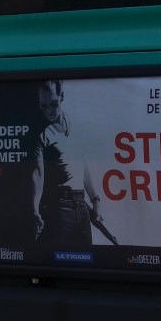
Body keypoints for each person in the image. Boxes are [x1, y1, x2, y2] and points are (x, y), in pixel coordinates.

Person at [28, 80, 105, 251]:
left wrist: (95, 200)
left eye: (53, 104)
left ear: (62, 97)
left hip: (82, 207)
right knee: (63, 260)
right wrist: (34, 209)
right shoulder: (42, 135)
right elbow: (37, 175)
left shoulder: (77, 126)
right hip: (59, 209)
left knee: (88, 261)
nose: (48, 111)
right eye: (44, 106)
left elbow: (84, 167)